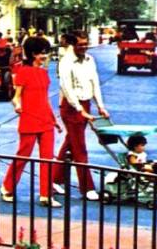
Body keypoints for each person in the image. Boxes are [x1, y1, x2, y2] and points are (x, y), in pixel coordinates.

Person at [0, 36, 63, 208]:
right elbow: (16, 97)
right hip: (29, 118)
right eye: (41, 53)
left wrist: (53, 119)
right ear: (33, 54)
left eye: (46, 53)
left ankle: (45, 195)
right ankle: (7, 187)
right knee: (23, 156)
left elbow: (45, 99)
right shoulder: (23, 72)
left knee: (48, 158)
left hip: (45, 120)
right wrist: (18, 106)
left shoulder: (43, 73)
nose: (44, 56)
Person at [53, 30, 109, 202]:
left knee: (71, 141)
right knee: (80, 147)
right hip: (71, 107)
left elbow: (95, 83)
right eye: (80, 44)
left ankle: (54, 179)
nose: (84, 47)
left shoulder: (90, 60)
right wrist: (79, 110)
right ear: (72, 44)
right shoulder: (65, 62)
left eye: (86, 44)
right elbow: (67, 88)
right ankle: (87, 187)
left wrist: (100, 106)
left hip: (85, 104)